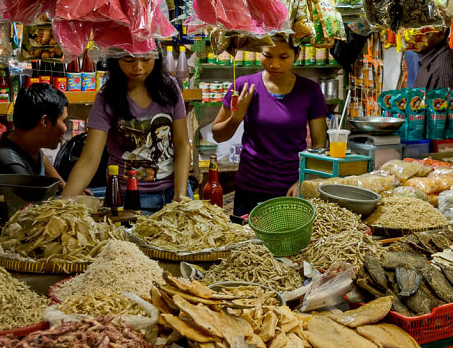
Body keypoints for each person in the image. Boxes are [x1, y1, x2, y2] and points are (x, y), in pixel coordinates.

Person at [212, 36, 328, 215]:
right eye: (267, 56)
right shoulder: (243, 86)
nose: (274, 64)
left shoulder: (310, 91)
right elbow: (218, 135)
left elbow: (320, 145)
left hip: (291, 189)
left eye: (283, 57)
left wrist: (303, 181)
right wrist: (236, 117)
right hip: (250, 187)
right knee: (247, 241)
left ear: (296, 54)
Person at [62, 55, 190, 211]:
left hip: (173, 191)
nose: (138, 67)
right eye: (129, 60)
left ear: (156, 57)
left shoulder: (169, 88)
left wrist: (181, 194)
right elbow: (89, 160)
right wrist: (61, 206)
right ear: (115, 60)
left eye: (146, 59)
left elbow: (182, 144)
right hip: (129, 197)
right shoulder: (107, 98)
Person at [0, 83, 69, 212]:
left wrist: (66, 187)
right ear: (45, 122)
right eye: (63, 121)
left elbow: (42, 158)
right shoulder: (11, 165)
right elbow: (33, 216)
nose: (65, 128)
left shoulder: (23, 141)